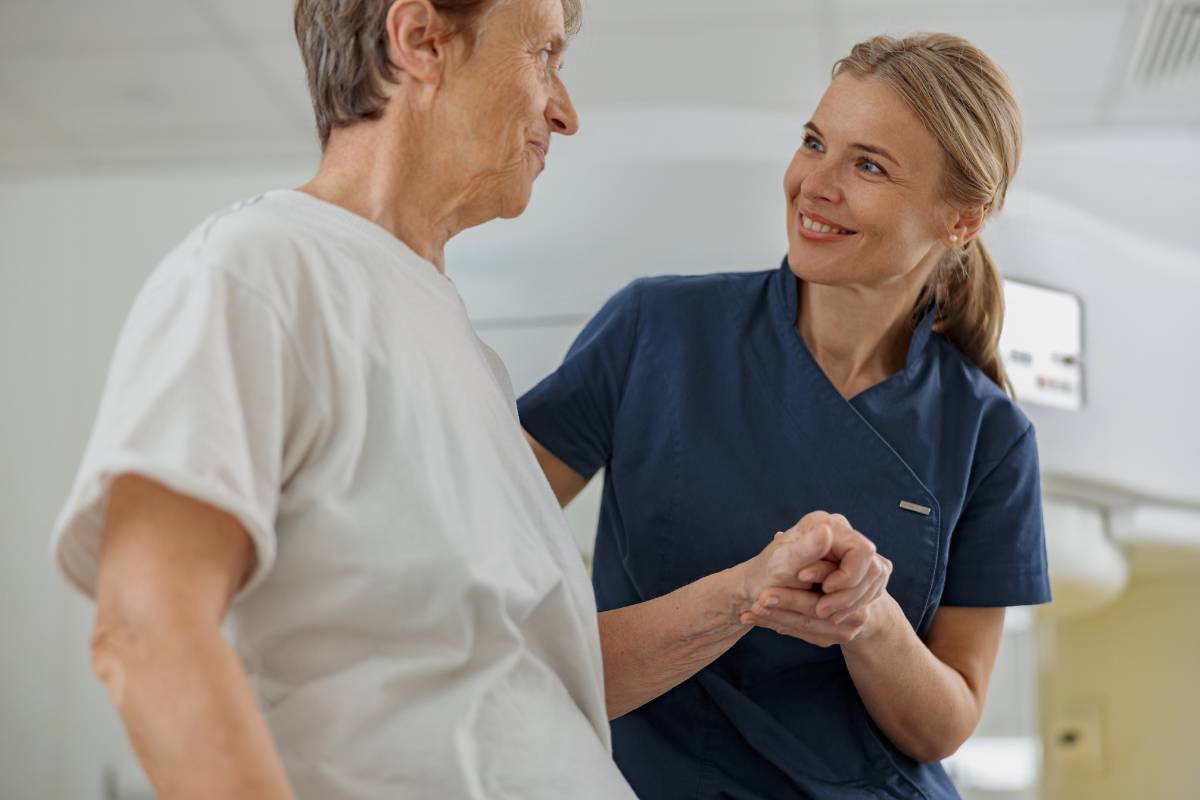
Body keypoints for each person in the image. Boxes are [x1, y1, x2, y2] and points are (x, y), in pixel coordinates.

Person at [49, 1, 647, 797]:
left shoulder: (467, 353)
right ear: (422, 40)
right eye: (544, 56)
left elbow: (516, 671)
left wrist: (750, 596)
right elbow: (146, 626)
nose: (564, 111)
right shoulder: (260, 269)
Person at [520, 33, 1052, 799]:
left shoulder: (990, 436)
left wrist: (868, 621)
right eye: (814, 143)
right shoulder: (655, 331)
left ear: (961, 221)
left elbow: (946, 721)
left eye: (868, 165)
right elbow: (476, 546)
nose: (814, 184)